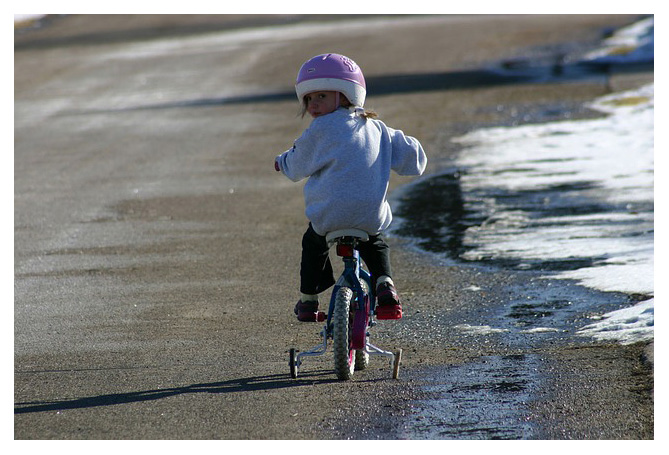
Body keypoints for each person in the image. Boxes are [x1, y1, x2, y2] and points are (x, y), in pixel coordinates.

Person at [275, 53, 427, 322]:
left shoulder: (320, 129)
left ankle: (309, 301)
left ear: (346, 95)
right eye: (309, 98)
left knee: (313, 243)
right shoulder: (378, 129)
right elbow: (413, 159)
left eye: (321, 96)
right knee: (375, 242)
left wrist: (281, 162)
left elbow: (297, 165)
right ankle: (385, 286)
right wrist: (415, 151)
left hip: (329, 217)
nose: (313, 105)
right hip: (369, 216)